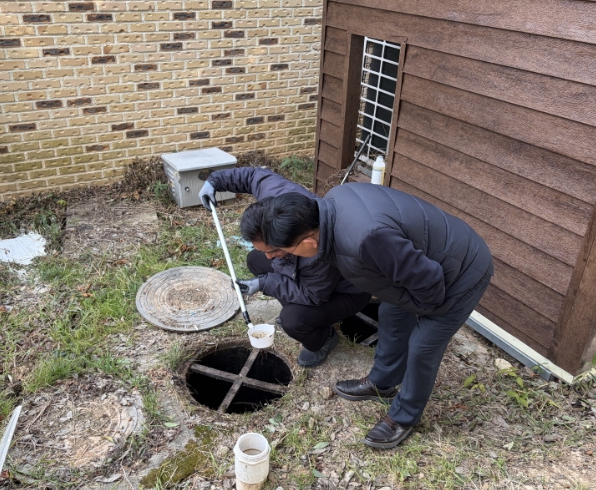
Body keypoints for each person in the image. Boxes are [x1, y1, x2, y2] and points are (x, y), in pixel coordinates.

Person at [252, 183, 493, 449]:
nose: (284, 256)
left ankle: (403, 417)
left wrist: (423, 312)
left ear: (309, 241)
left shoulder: (365, 239)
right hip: (428, 259)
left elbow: (430, 284)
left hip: (461, 273)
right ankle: (382, 384)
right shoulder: (331, 204)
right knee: (391, 314)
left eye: (288, 251)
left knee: (423, 345)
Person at [198, 167, 371, 368]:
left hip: (345, 291)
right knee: (255, 260)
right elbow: (253, 176)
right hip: (311, 276)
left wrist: (265, 283)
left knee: (293, 320)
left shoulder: (316, 249)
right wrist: (215, 181)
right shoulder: (277, 202)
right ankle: (295, 306)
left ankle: (323, 338)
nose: (269, 256)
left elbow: (312, 295)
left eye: (274, 250)